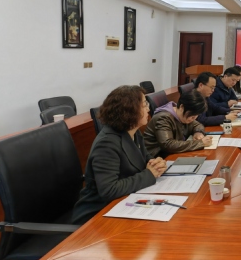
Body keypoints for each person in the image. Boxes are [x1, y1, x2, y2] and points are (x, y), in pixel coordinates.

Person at [72, 85, 167, 224]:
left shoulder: (133, 131)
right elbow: (109, 190)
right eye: (144, 105)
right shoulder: (107, 143)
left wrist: (157, 163)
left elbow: (146, 159)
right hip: (97, 213)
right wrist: (149, 174)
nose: (148, 108)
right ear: (130, 111)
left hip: (124, 202)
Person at [143, 90, 212, 158]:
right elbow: (168, 144)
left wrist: (198, 132)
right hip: (157, 157)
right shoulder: (163, 118)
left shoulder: (182, 114)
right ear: (182, 107)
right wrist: (200, 143)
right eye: (192, 116)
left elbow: (197, 125)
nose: (193, 119)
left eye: (196, 116)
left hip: (171, 154)